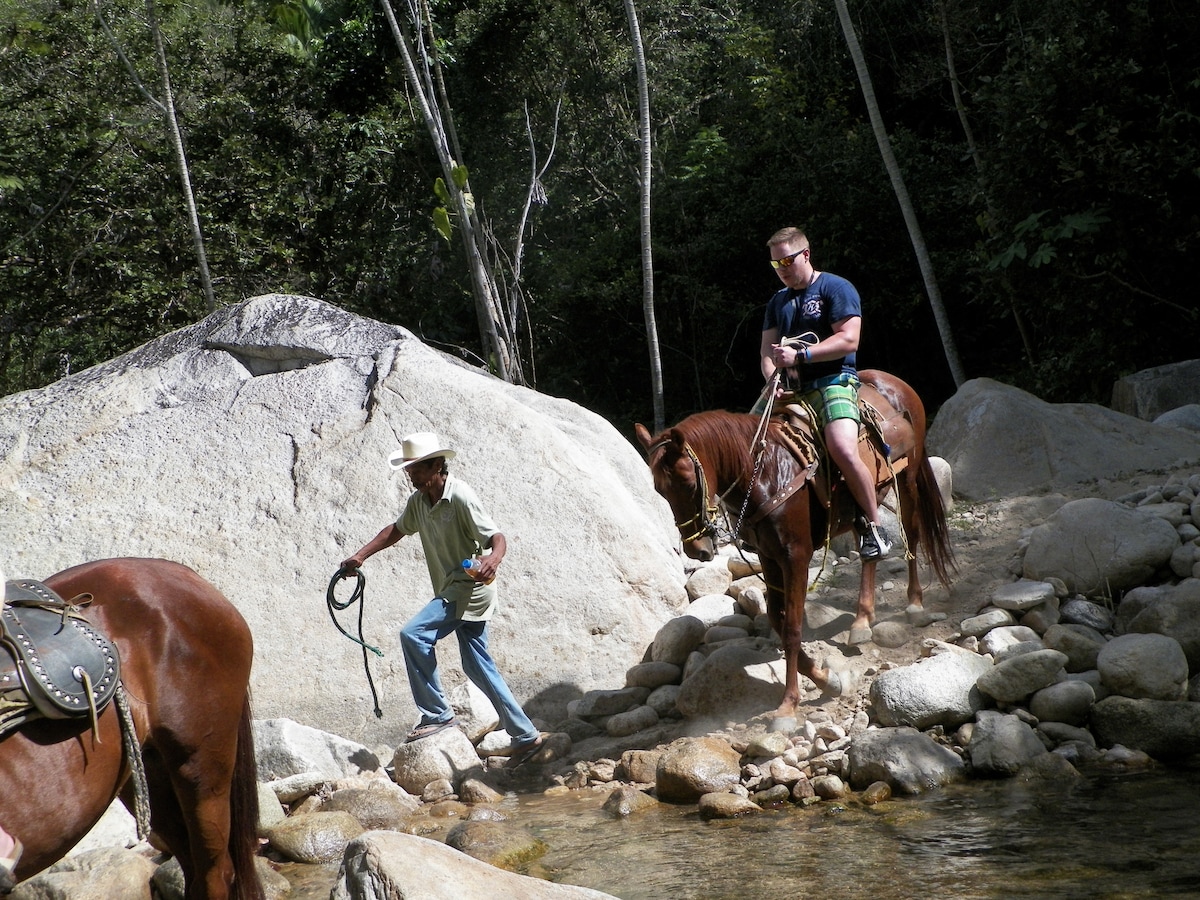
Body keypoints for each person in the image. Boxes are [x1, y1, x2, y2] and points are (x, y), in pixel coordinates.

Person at [340, 432, 543, 765]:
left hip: (470, 588)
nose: (411, 475)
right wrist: (360, 556)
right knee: (477, 666)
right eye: (408, 469)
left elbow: (496, 536)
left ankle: (436, 714)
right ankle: (525, 735)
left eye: (417, 468)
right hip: (452, 587)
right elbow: (396, 529)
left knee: (413, 634)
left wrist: (494, 558)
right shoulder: (419, 503)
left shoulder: (460, 496)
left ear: (436, 466)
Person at [757, 226, 892, 560]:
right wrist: (773, 379)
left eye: (787, 260)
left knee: (842, 448)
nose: (783, 269)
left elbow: (849, 339)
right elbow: (766, 352)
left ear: (806, 254)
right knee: (747, 441)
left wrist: (801, 356)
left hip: (834, 380)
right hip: (790, 388)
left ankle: (875, 527)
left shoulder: (835, 287)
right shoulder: (777, 302)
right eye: (776, 264)